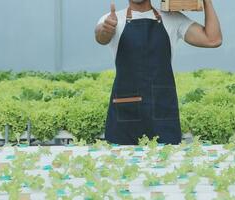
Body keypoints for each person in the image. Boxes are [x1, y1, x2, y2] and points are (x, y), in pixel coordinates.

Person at [95, 0, 222, 145]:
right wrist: (106, 30)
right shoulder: (111, 19)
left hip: (162, 108)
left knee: (166, 162)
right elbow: (101, 36)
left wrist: (207, 2)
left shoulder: (173, 18)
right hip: (126, 110)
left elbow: (213, 39)